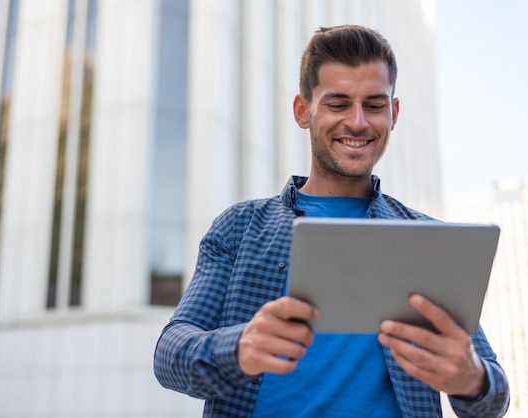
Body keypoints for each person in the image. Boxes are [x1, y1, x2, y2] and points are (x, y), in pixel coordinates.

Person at [153, 25, 510, 417]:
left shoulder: (430, 242)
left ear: (393, 113)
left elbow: (493, 398)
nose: (357, 122)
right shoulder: (238, 228)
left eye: (374, 105)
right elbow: (170, 354)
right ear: (303, 111)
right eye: (338, 104)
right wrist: (239, 347)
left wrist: (472, 379)